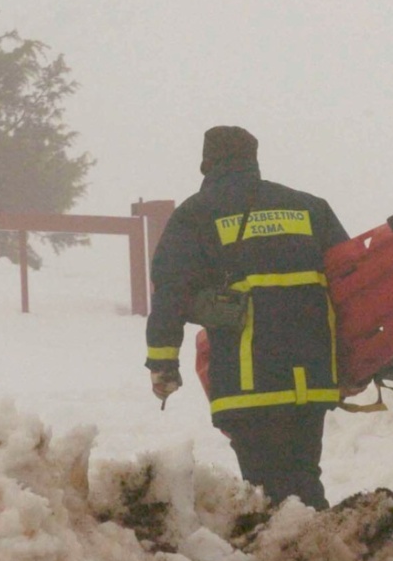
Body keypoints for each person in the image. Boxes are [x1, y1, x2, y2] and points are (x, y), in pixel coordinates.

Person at [145, 125, 349, 509]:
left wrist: (162, 361)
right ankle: (324, 549)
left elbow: (170, 291)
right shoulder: (310, 208)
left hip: (248, 378)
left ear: (206, 164)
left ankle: (292, 558)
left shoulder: (197, 214)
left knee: (265, 490)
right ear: (253, 160)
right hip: (312, 379)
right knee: (304, 476)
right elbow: (352, 283)